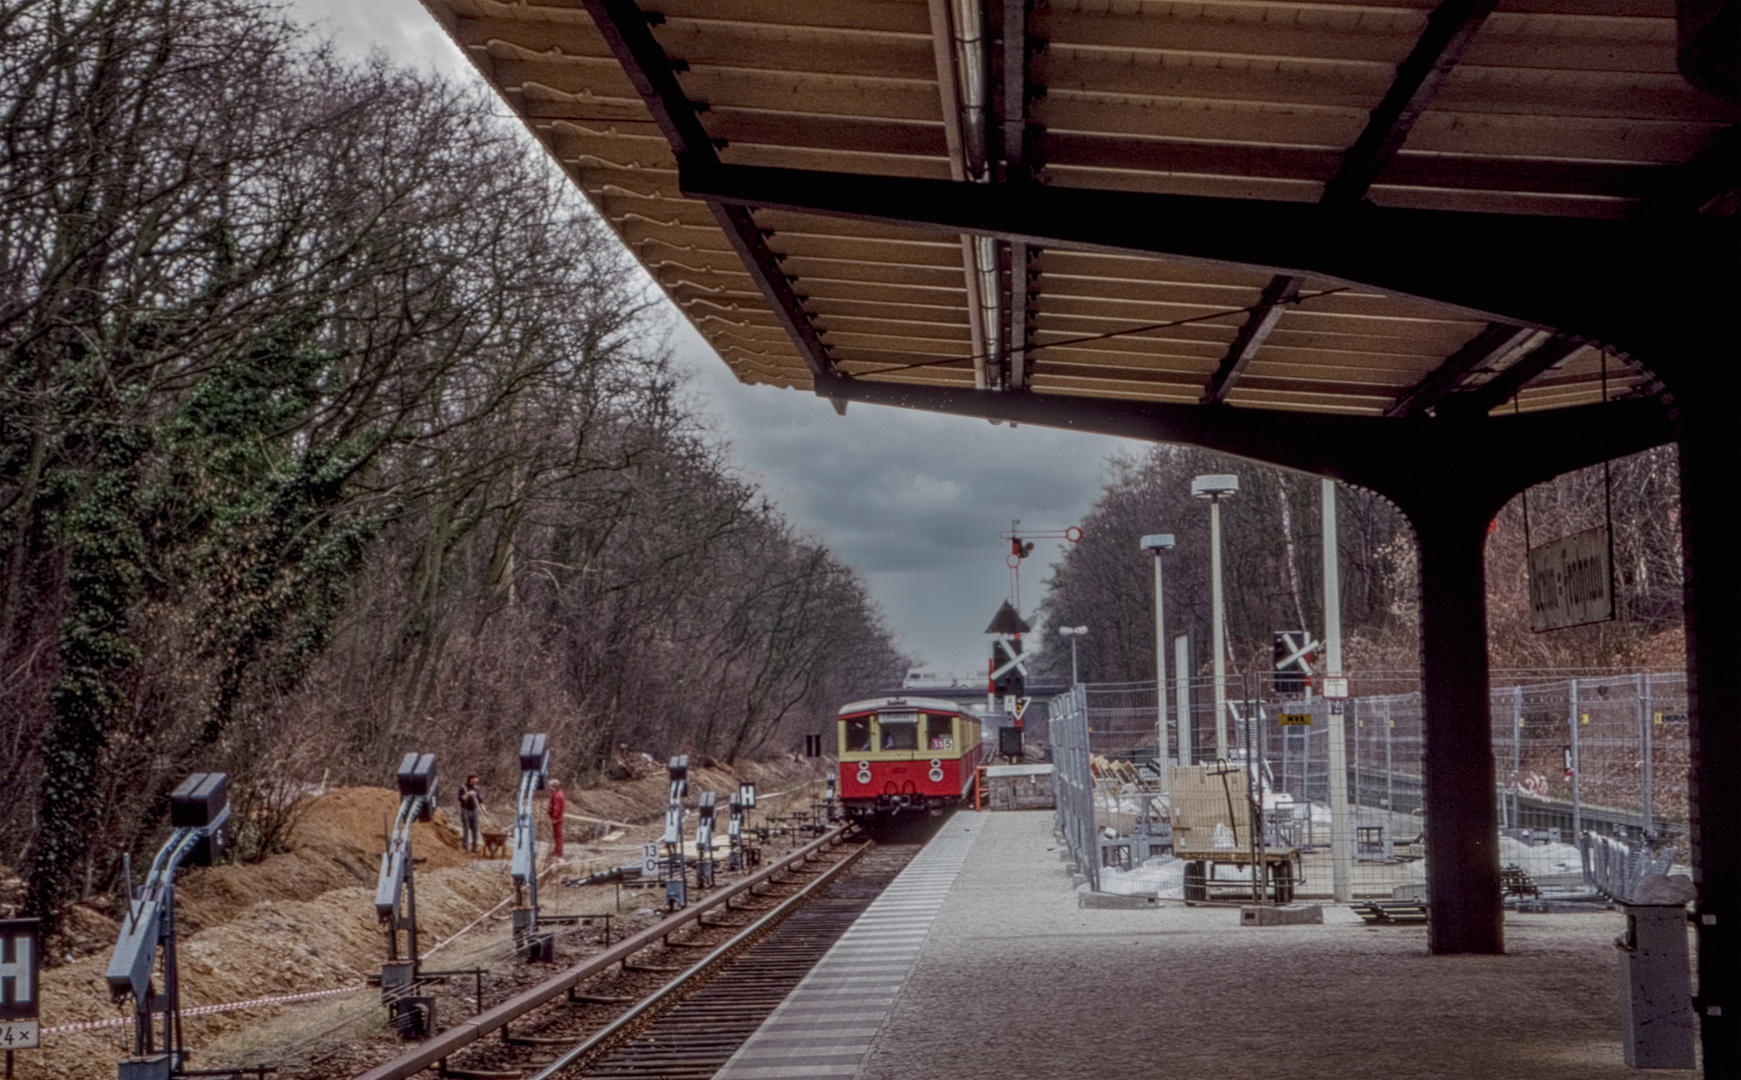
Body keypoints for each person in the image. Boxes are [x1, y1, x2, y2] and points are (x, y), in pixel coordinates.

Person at [458, 775, 484, 853]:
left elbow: (479, 798)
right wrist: (468, 794)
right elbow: (460, 799)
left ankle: (474, 848)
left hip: (474, 810)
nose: (476, 782)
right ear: (471, 779)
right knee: (466, 829)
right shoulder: (463, 788)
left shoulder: (476, 788)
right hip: (465, 810)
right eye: (475, 780)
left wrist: (482, 805)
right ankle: (465, 847)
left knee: (475, 828)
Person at [548, 780, 566, 860]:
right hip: (558, 818)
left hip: (557, 819)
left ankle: (559, 852)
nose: (550, 789)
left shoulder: (557, 796)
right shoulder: (559, 794)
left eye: (551, 787)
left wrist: (554, 818)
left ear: (555, 787)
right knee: (557, 836)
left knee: (558, 836)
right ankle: (557, 850)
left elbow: (557, 808)